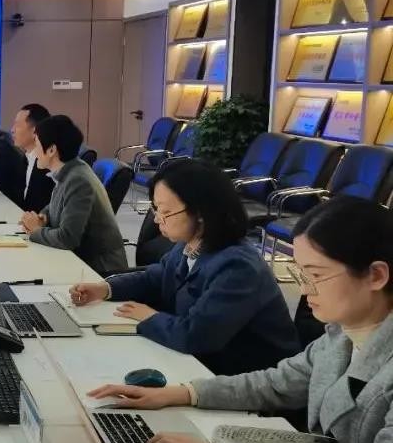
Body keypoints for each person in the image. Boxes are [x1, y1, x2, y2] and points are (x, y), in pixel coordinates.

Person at [88, 197, 393, 443]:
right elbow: (278, 382)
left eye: (316, 275)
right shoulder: (343, 334)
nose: (304, 290)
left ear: (376, 275)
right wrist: (179, 393)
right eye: (300, 273)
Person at [70, 160, 299, 375]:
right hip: (200, 361)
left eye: (166, 212)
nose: (157, 219)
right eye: (156, 209)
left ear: (201, 213)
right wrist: (105, 289)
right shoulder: (190, 243)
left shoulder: (238, 267)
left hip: (246, 377)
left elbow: (196, 336)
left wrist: (149, 316)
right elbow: (155, 277)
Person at [21, 115, 126, 274]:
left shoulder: (78, 180)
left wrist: (36, 230)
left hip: (99, 270)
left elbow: (67, 238)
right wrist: (43, 217)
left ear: (51, 150)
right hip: (80, 260)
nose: (34, 152)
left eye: (37, 144)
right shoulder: (70, 170)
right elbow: (58, 204)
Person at [9, 103, 54, 213]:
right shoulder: (26, 158)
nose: (12, 130)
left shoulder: (48, 165)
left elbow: (38, 209)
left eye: (17, 125)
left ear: (35, 131)